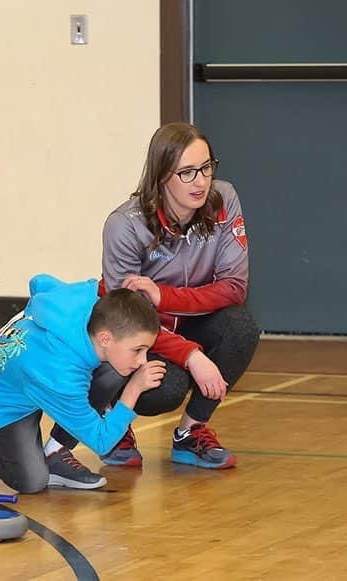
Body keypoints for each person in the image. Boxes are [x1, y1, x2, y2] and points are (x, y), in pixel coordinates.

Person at [46, 122, 260, 471]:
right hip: (141, 335)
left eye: (206, 168)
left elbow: (234, 287)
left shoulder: (224, 200)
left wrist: (164, 297)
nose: (201, 182)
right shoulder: (125, 225)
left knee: (241, 328)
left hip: (186, 319)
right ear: (162, 176)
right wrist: (191, 356)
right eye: (187, 173)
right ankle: (116, 418)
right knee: (166, 388)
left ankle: (191, 433)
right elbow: (124, 321)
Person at [0, 274, 165, 493]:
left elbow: (40, 282)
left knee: (113, 371)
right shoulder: (61, 376)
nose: (143, 361)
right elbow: (101, 441)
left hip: (30, 379)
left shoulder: (86, 303)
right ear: (105, 339)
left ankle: (55, 453)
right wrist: (133, 390)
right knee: (31, 481)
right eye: (138, 350)